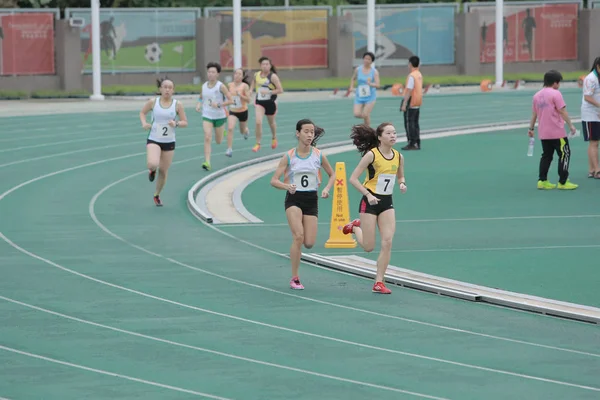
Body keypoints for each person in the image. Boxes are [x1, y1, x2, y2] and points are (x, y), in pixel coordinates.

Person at [342, 122, 407, 294]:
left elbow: (400, 176)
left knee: (387, 241)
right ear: (379, 137)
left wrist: (402, 184)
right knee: (369, 247)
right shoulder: (372, 155)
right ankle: (356, 228)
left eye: (394, 133)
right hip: (369, 202)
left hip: (386, 203)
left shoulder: (399, 156)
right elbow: (353, 178)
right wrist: (368, 195)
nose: (393, 136)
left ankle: (379, 282)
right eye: (388, 133)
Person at [270, 119, 335, 290]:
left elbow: (332, 174)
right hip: (294, 198)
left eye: (312, 132)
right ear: (298, 133)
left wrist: (327, 188)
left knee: (309, 243)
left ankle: (297, 255)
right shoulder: (289, 156)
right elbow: (274, 181)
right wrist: (287, 186)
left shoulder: (319, 155)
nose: (309, 135)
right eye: (306, 131)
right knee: (298, 236)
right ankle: (295, 278)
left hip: (311, 200)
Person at [139, 77, 188, 206]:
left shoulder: (177, 105)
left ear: (173, 90)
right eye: (165, 87)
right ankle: (152, 170)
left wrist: (176, 123)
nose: (167, 90)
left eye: (170, 88)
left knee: (164, 170)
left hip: (169, 141)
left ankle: (156, 194)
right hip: (154, 138)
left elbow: (185, 122)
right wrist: (144, 123)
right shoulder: (153, 102)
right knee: (152, 163)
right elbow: (142, 113)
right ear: (160, 89)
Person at [529, 70, 578, 190]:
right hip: (557, 132)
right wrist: (571, 125)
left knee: (546, 156)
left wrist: (531, 128)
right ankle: (563, 181)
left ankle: (542, 180)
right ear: (555, 83)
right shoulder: (556, 94)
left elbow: (534, 114)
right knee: (564, 155)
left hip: (544, 133)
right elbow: (562, 111)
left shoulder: (536, 96)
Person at [196, 62, 234, 171]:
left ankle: (223, 132)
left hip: (219, 116)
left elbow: (231, 100)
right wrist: (199, 104)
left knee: (218, 141)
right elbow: (201, 97)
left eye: (213, 72)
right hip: (207, 115)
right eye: (209, 72)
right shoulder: (204, 86)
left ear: (217, 74)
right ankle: (207, 162)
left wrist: (219, 104)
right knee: (207, 137)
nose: (211, 74)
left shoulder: (221, 86)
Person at [250, 56, 284, 152]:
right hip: (259, 102)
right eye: (263, 64)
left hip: (270, 103)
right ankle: (258, 143)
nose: (265, 66)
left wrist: (268, 92)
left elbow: (280, 90)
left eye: (267, 64)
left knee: (271, 123)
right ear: (260, 66)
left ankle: (274, 137)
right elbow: (253, 83)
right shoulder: (256, 75)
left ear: (270, 66)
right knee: (258, 122)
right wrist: (250, 90)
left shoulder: (273, 77)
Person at [580, 57, 600, 179]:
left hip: (597, 113)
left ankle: (592, 169)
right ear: (598, 66)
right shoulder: (591, 79)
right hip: (590, 114)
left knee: (595, 142)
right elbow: (588, 97)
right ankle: (597, 169)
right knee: (594, 142)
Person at [226, 67, 252, 157]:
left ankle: (246, 131)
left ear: (242, 76)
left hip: (243, 111)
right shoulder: (229, 85)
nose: (237, 75)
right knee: (230, 128)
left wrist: (240, 95)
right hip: (232, 111)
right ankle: (229, 149)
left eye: (239, 74)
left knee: (242, 130)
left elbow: (249, 100)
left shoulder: (245, 86)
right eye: (235, 73)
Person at [350, 51, 380, 127]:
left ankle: (368, 131)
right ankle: (367, 120)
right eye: (365, 58)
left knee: (366, 114)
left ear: (371, 61)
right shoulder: (358, 69)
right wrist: (351, 87)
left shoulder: (374, 72)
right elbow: (353, 78)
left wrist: (371, 84)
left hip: (370, 96)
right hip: (359, 95)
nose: (366, 60)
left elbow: (378, 85)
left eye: (369, 59)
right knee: (356, 114)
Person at [401, 55, 423, 150]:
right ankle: (417, 142)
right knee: (415, 122)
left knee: (409, 123)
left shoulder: (411, 76)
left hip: (412, 101)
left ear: (410, 64)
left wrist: (404, 103)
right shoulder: (419, 74)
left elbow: (409, 90)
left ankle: (412, 142)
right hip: (418, 100)